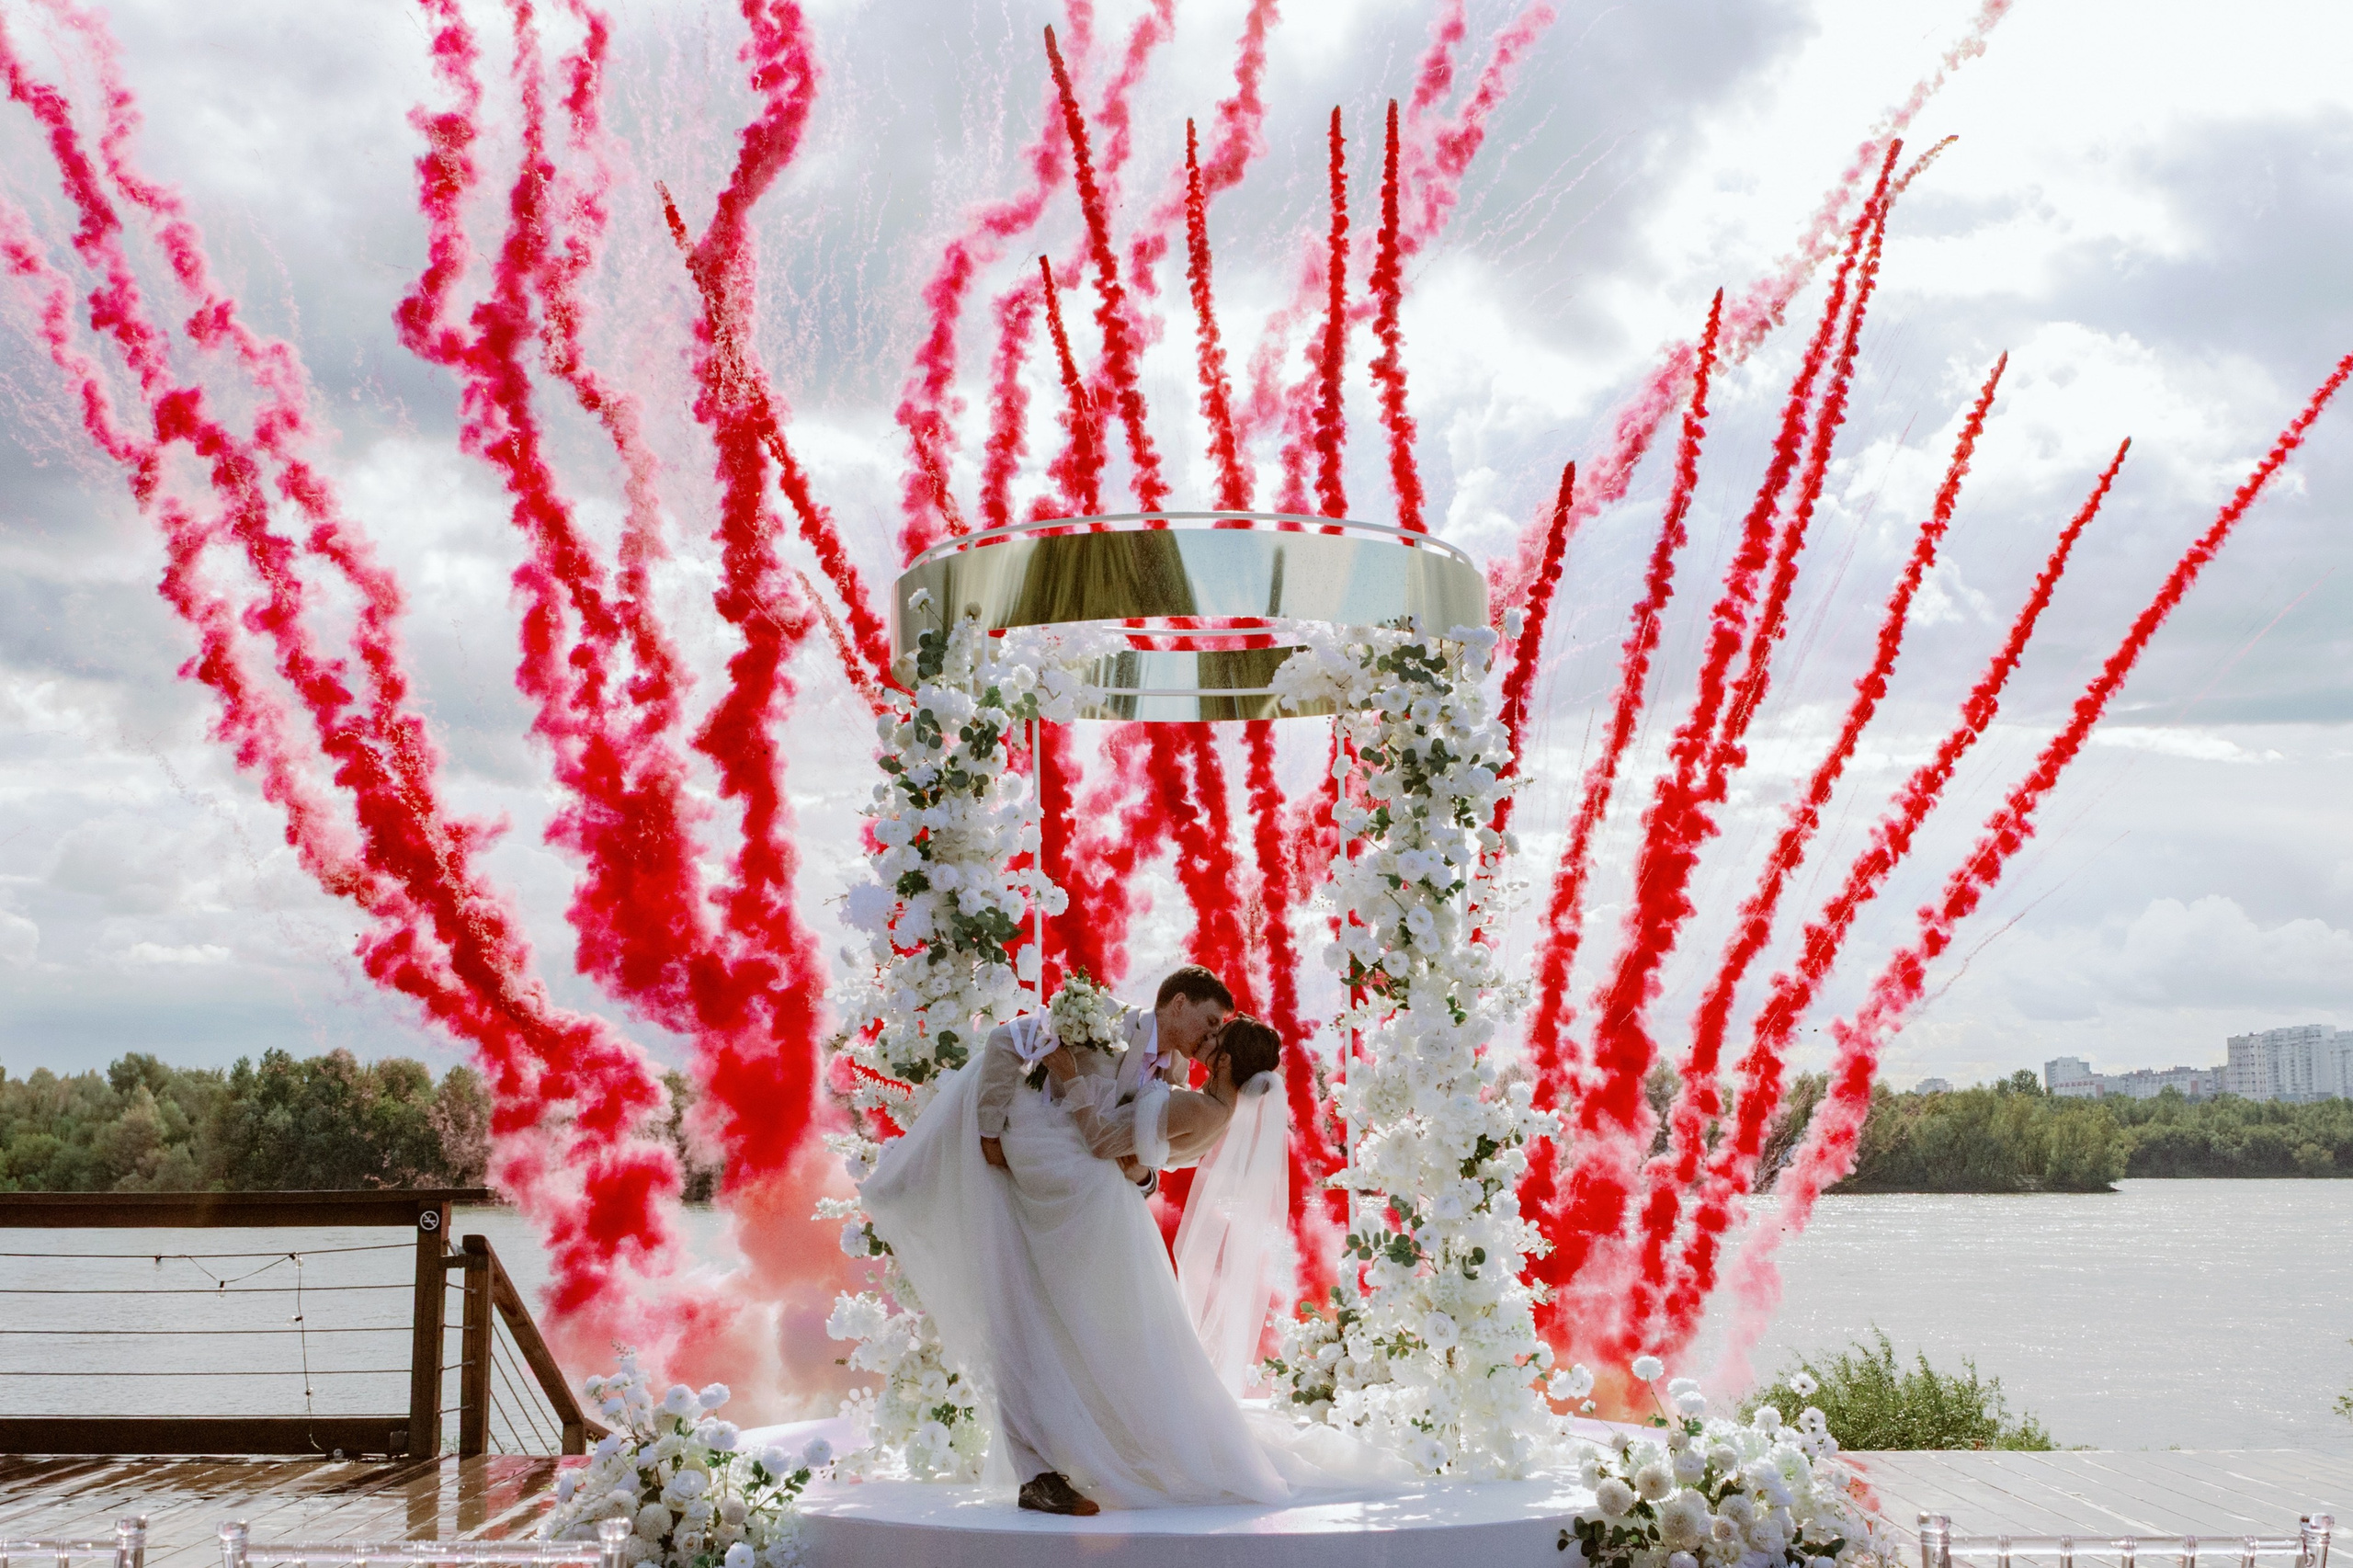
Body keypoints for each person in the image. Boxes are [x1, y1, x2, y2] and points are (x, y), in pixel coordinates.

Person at [858, 967, 1401, 1514]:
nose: (1210, 1039)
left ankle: (1072, 1458)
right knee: (1021, 1309)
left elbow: (1149, 1156)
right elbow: (1004, 1041)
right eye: (1209, 1023)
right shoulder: (1105, 1018)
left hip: (1078, 1190)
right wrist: (988, 1131)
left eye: (1220, 1033)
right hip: (1033, 1161)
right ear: (1178, 1003)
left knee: (1057, 1321)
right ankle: (1046, 1466)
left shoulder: (1185, 1083)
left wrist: (1138, 1174)